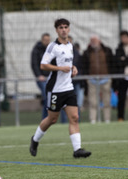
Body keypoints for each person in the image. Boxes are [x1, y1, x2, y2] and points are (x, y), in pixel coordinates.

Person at [29, 18, 91, 159]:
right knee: (52, 119)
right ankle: (35, 140)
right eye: (61, 27)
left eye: (65, 27)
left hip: (68, 88)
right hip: (55, 89)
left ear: (69, 29)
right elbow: (43, 65)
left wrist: (73, 68)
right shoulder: (52, 47)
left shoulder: (70, 46)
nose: (63, 29)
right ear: (57, 30)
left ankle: (77, 150)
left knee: (74, 117)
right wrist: (59, 68)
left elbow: (68, 64)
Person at [82, 35, 114, 124]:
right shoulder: (87, 52)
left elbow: (112, 63)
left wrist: (111, 75)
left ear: (99, 41)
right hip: (92, 80)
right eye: (91, 40)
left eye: (94, 40)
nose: (93, 42)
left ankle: (107, 119)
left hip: (105, 79)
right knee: (93, 101)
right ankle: (93, 119)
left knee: (106, 100)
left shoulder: (107, 50)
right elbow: (84, 65)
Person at [31, 33, 51, 119]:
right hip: (42, 78)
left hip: (51, 77)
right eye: (45, 40)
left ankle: (54, 118)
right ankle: (45, 119)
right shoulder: (36, 50)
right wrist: (39, 75)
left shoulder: (52, 49)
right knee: (47, 97)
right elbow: (34, 64)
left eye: (48, 40)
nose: (46, 42)